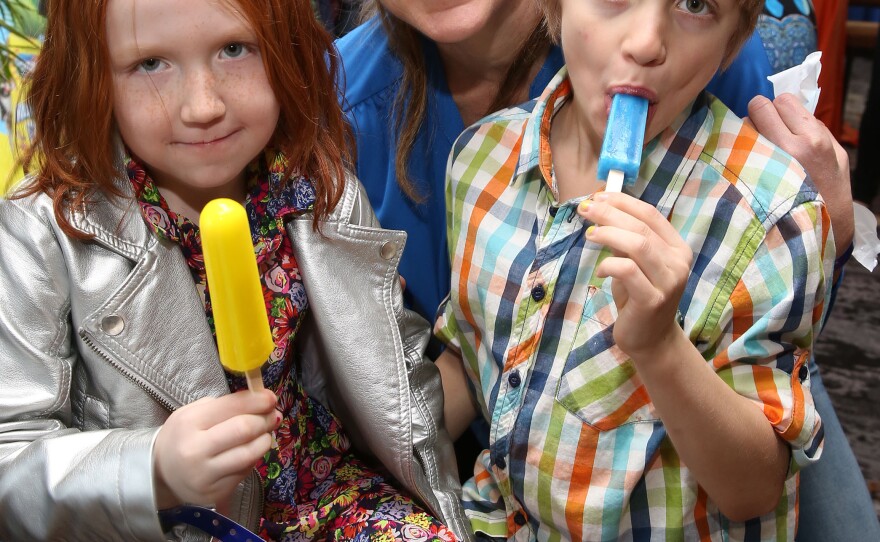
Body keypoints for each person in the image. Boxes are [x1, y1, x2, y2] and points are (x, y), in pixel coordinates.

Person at [337, 3, 873, 541]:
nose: (646, 41)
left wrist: (661, 347)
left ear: (732, 43)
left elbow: (753, 490)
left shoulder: (771, 212)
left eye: (693, 4)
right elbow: (476, 362)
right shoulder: (478, 161)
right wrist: (356, 424)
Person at [0, 0, 468, 540]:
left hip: (332, 494)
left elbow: (396, 376)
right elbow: (13, 466)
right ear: (91, 76)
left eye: (233, 49)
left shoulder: (320, 192)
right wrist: (149, 470)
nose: (203, 105)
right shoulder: (39, 239)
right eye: (151, 63)